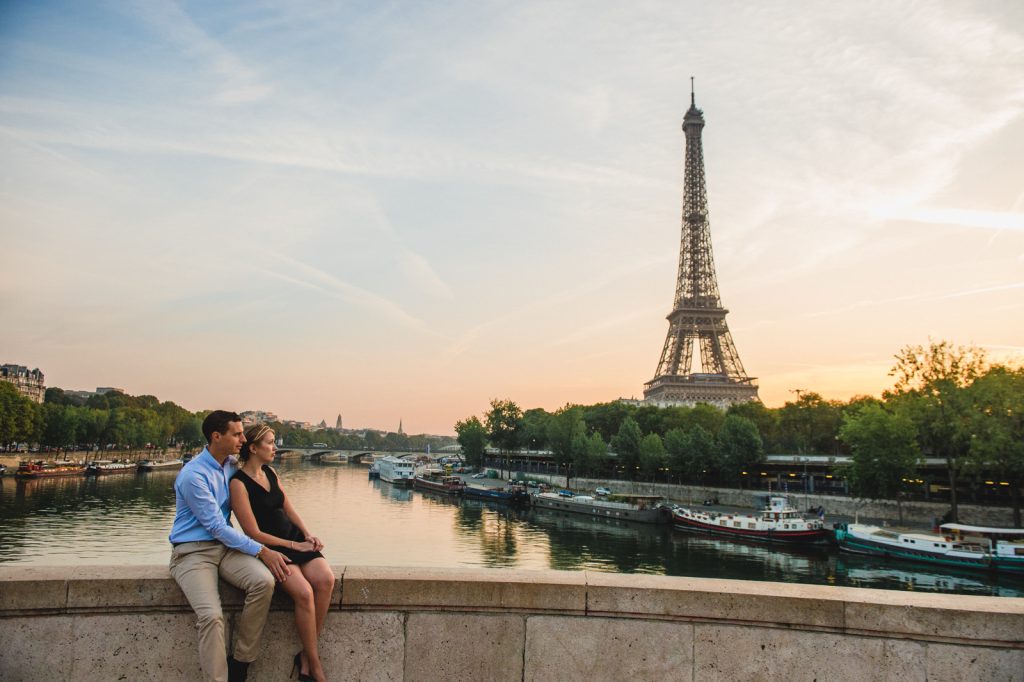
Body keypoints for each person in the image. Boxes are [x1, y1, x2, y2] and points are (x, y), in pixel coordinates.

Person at [169, 410, 291, 682]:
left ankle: (241, 662)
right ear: (216, 436)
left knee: (263, 582)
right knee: (212, 617)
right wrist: (262, 550)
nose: (243, 440)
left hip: (224, 549)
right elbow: (216, 526)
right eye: (237, 434)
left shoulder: (232, 466)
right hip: (192, 552)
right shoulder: (193, 475)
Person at [231, 423, 336, 682]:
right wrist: (293, 546)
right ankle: (314, 664)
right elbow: (252, 533)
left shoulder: (271, 472)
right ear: (253, 448)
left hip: (295, 539)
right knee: (304, 593)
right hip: (273, 549)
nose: (275, 447)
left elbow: (289, 509)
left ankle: (305, 655)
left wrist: (307, 535)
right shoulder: (238, 484)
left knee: (326, 579)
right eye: (270, 442)